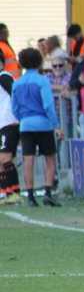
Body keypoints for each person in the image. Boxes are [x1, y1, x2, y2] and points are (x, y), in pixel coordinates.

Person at [11, 48, 61, 207]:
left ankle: (31, 196)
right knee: (50, 158)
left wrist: (22, 119)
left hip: (26, 124)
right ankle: (47, 193)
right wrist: (56, 125)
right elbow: (48, 105)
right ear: (39, 62)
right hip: (43, 124)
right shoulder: (42, 81)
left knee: (28, 160)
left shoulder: (17, 83)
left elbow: (15, 108)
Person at [0, 67, 21, 203]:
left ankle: (15, 192)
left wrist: (17, 116)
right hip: (2, 124)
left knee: (5, 158)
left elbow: (15, 95)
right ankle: (5, 192)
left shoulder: (4, 76)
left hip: (9, 123)